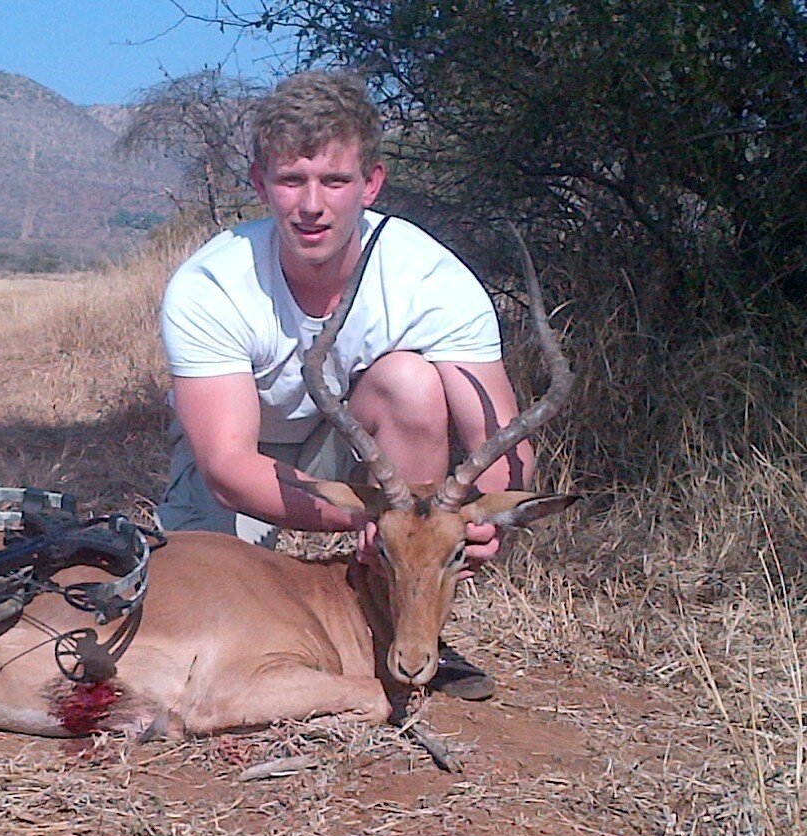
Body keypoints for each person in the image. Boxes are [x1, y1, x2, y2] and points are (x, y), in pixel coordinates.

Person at [155, 71, 534, 700]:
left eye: (334, 181)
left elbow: (500, 441)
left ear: (371, 184)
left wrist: (467, 522)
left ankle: (404, 630)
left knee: (410, 383)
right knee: (205, 602)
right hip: (251, 461)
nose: (312, 205)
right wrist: (381, 519)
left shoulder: (429, 277)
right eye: (290, 180)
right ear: (260, 184)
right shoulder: (212, 283)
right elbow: (226, 465)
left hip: (363, 463)